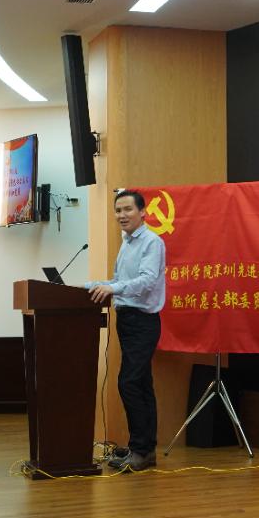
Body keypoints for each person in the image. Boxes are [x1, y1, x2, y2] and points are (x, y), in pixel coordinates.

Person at [87, 190, 166, 472]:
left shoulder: (151, 242)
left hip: (143, 322)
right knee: (141, 384)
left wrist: (113, 288)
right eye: (118, 210)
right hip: (128, 320)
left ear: (143, 212)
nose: (122, 215)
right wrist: (90, 286)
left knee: (129, 383)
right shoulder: (127, 242)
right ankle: (143, 449)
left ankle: (141, 450)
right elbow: (120, 281)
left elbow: (147, 281)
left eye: (128, 209)